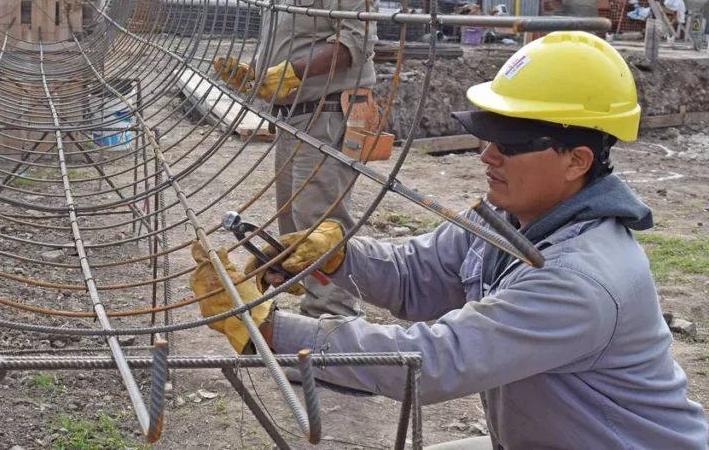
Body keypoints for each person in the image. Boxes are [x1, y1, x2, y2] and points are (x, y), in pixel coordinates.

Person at [191, 31, 709, 450]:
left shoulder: (581, 280)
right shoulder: (512, 219)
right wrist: (339, 256)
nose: (486, 156)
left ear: (577, 160)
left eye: (508, 143)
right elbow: (420, 274)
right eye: (486, 136)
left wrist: (271, 329)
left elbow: (434, 361)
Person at [212, 0, 378, 321]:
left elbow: (355, 40)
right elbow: (294, 35)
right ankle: (313, 315)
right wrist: (259, 76)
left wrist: (290, 74)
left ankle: (334, 321)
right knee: (294, 222)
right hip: (296, 115)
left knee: (319, 223)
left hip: (326, 114)